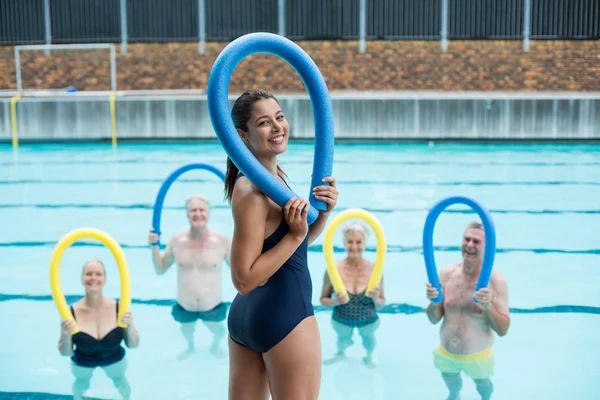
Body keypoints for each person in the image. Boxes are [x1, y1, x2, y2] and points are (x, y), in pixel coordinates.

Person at [225, 89, 338, 400]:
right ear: (242, 136)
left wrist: (321, 218)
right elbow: (244, 278)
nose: (277, 127)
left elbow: (288, 251)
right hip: (286, 316)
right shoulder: (251, 189)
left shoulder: (272, 177)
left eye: (280, 117)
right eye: (264, 122)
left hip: (249, 320)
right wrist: (295, 235)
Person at [425, 221, 510, 400]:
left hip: (478, 357)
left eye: (476, 242)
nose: (469, 245)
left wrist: (488, 307)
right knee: (450, 379)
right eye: (467, 239)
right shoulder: (447, 274)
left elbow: (503, 330)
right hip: (446, 353)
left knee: (483, 385)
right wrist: (433, 303)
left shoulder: (495, 282)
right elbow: (434, 319)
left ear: (487, 247)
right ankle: (454, 395)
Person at [148, 194, 231, 360]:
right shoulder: (177, 241)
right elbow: (160, 269)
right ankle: (190, 346)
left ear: (208, 213)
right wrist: (154, 247)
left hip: (212, 305)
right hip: (185, 305)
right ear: (187, 214)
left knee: (218, 330)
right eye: (193, 210)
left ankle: (215, 345)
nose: (197, 214)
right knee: (187, 329)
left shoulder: (221, 241)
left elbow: (238, 269)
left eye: (201, 210)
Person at [58, 259, 139, 400]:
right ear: (82, 279)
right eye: (89, 274)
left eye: (98, 274)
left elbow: (133, 344)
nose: (93, 278)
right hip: (83, 362)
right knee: (81, 384)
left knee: (120, 381)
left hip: (115, 359)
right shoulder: (71, 312)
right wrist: (65, 335)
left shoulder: (119, 307)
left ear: (105, 279)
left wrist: (129, 326)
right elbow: (65, 353)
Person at [320, 221, 385, 368]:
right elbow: (323, 300)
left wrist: (375, 298)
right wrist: (335, 301)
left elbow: (381, 304)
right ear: (344, 243)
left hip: (369, 320)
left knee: (369, 340)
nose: (354, 246)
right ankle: (340, 353)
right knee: (342, 339)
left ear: (365, 244)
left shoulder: (375, 270)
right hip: (341, 319)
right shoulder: (333, 269)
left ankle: (369, 355)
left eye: (358, 242)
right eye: (350, 242)